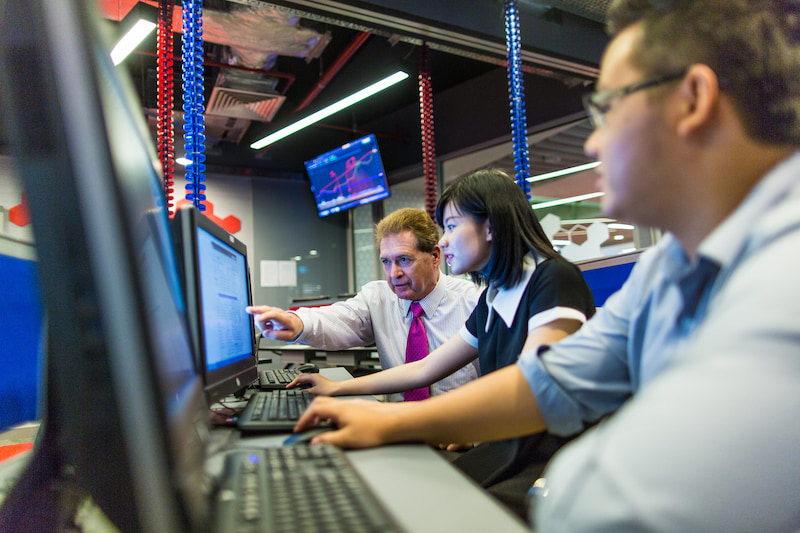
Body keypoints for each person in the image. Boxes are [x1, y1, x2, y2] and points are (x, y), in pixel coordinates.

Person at [295, 1, 800, 531]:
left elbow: (607, 508)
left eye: (608, 107)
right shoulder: (669, 266)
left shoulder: (782, 283)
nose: (593, 141)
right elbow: (548, 381)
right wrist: (389, 420)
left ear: (693, 100)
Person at [288, 169, 595, 517]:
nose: (444, 240)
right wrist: (338, 390)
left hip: (549, 460)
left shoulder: (552, 279)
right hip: (505, 447)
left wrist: (388, 421)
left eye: (451, 226)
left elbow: (529, 388)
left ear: (490, 226)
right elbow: (425, 368)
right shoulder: (495, 296)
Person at [247, 207, 481, 402]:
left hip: (460, 437)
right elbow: (339, 319)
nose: (394, 273)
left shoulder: (472, 302)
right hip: (398, 431)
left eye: (404, 260)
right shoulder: (377, 298)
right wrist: (298, 323)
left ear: (435, 256)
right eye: (386, 262)